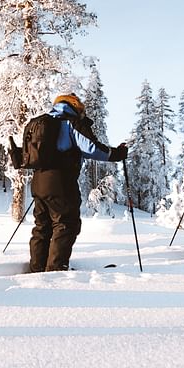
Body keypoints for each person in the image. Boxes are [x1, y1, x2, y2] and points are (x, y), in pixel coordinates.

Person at [27, 93, 127, 273]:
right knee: (66, 223)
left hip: (38, 181)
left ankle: (36, 269)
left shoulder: (39, 122)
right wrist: (117, 154)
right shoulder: (70, 122)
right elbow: (92, 148)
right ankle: (56, 269)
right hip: (61, 182)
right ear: (75, 106)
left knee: (42, 226)